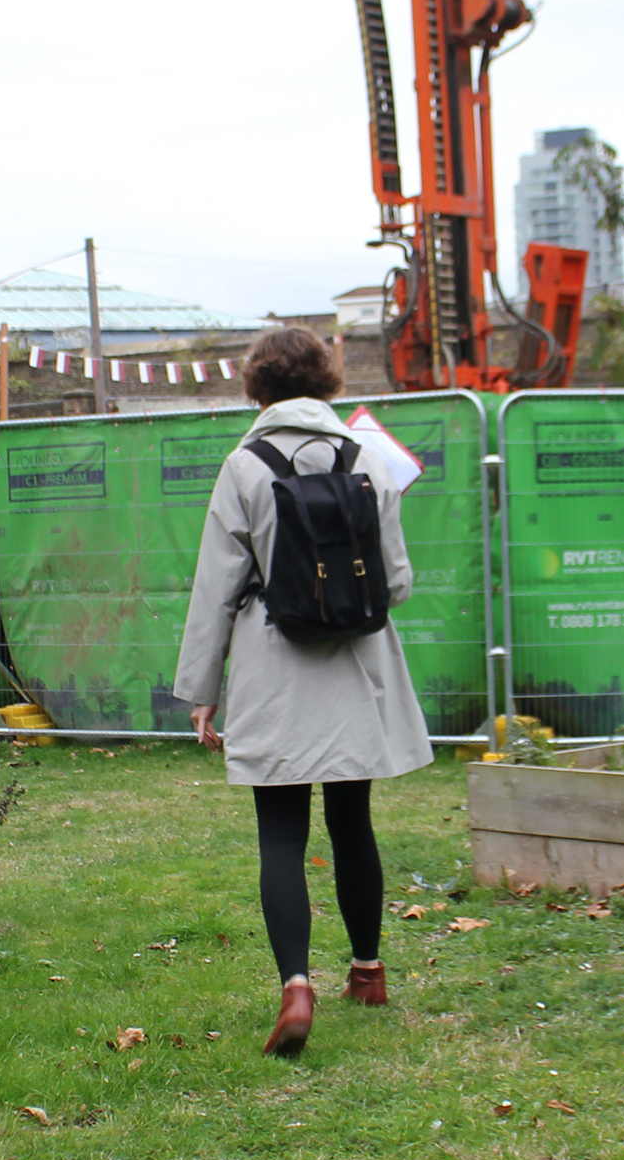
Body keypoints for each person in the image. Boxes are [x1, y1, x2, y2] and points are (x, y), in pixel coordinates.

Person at [175, 325, 435, 1057]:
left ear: (256, 386)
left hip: (272, 665)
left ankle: (296, 985)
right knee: (353, 822)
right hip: (358, 663)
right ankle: (369, 970)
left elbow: (215, 587)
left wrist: (201, 689)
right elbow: (400, 580)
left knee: (281, 835)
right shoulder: (367, 459)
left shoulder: (243, 466)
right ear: (327, 382)